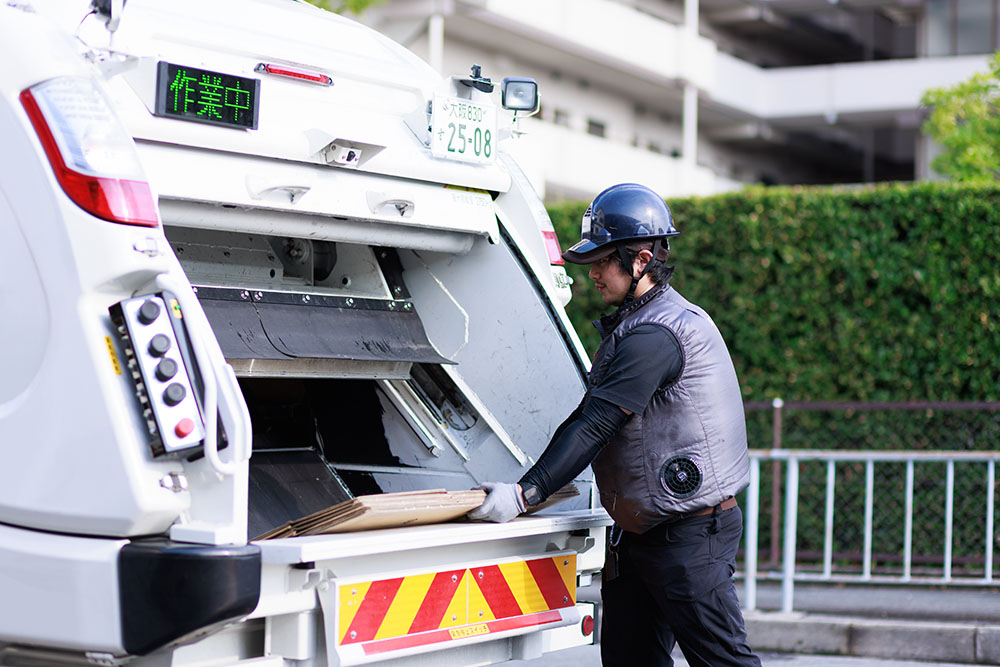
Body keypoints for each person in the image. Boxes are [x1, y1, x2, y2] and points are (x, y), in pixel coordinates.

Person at [467, 183, 761, 666]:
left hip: (687, 536)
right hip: (643, 538)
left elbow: (595, 424)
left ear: (640, 260)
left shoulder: (658, 333)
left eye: (603, 261)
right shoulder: (639, 322)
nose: (593, 275)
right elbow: (592, 418)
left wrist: (525, 495)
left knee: (724, 662)